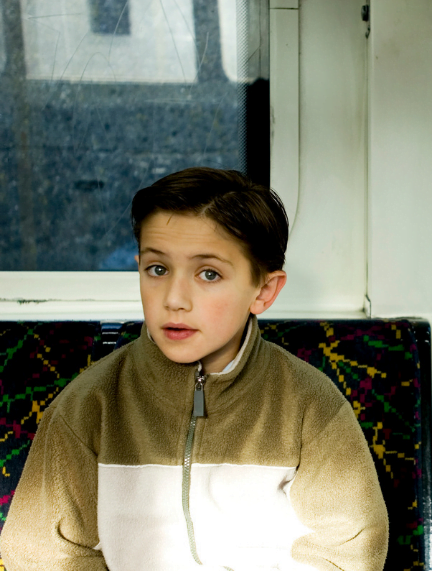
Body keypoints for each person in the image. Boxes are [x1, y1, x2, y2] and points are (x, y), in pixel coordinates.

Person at [0, 168, 388, 571]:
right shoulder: (87, 407)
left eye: (208, 274)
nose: (174, 299)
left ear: (264, 290)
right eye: (157, 269)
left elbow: (346, 551)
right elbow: (43, 553)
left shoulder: (311, 405)